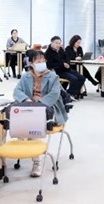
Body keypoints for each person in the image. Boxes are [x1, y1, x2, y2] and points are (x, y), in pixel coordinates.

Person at [13, 50, 68, 178]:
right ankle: (32, 153)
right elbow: (17, 91)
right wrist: (27, 100)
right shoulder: (25, 76)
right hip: (29, 107)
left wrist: (39, 104)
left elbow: (54, 94)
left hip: (48, 108)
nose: (42, 63)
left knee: (34, 125)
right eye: (38, 61)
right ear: (31, 63)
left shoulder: (53, 76)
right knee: (26, 120)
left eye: (43, 61)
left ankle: (36, 160)